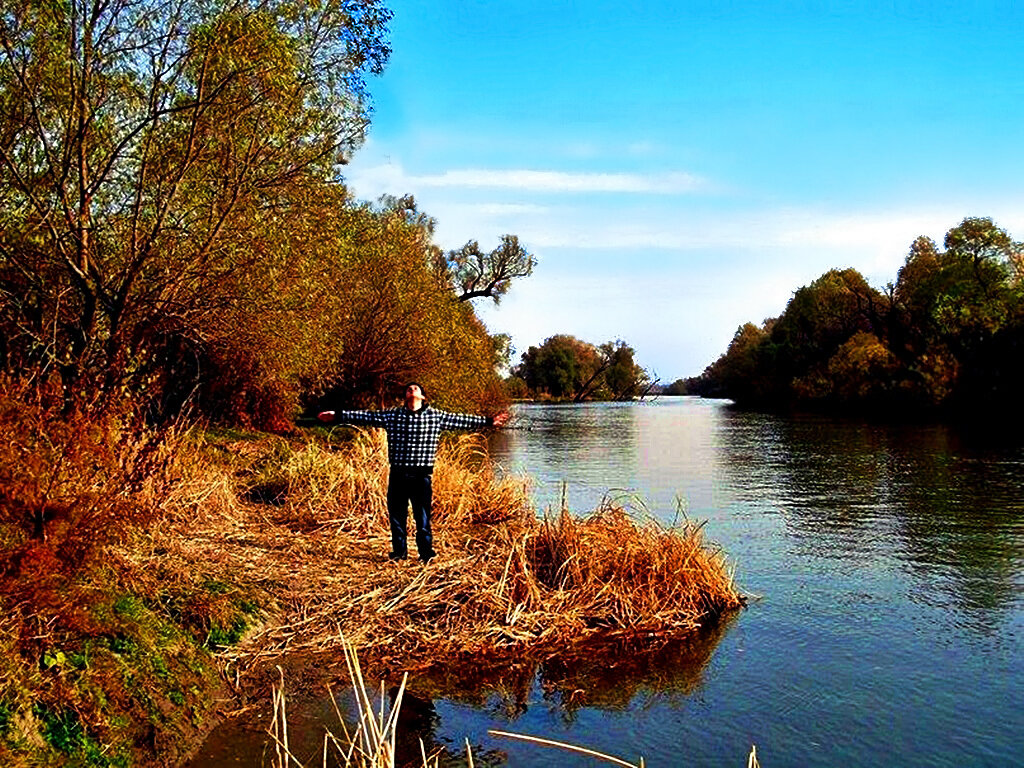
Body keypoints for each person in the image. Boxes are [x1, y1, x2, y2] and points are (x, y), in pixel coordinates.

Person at [318, 383, 510, 563]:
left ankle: (426, 554)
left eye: (416, 388)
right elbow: (365, 417)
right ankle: (399, 554)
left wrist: (489, 421)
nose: (412, 390)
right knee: (397, 517)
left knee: (423, 518)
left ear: (423, 396)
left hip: (421, 476)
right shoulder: (392, 416)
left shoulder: (436, 416)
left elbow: (462, 420)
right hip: (398, 474)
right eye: (409, 389)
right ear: (405, 397)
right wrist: (337, 415)